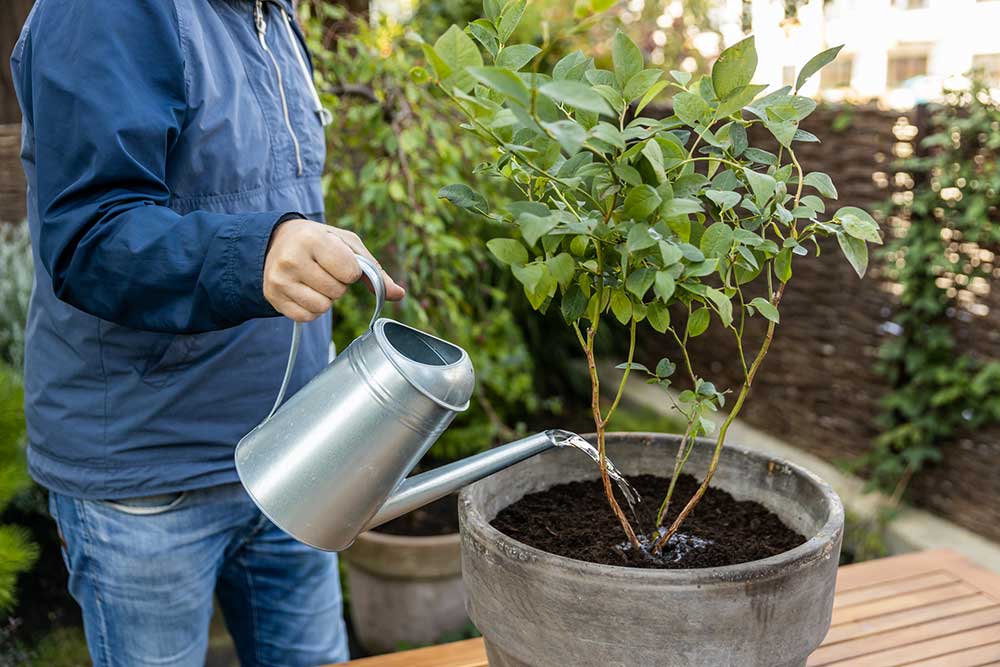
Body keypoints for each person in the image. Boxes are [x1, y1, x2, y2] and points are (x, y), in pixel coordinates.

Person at [10, 0, 405, 665]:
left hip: (294, 460)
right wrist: (258, 253)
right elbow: (91, 236)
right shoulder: (107, 12)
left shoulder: (271, 17)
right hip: (150, 477)